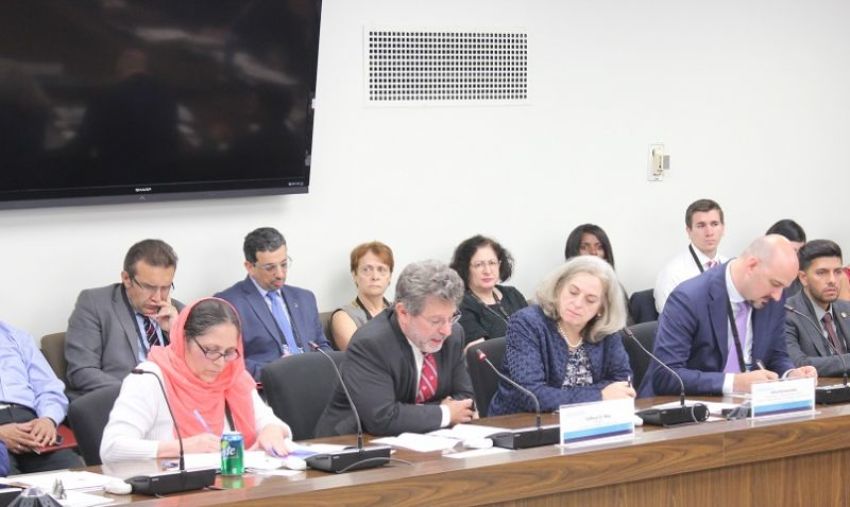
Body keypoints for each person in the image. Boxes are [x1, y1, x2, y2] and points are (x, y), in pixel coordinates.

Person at [100, 298, 292, 463]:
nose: (220, 363)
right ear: (184, 339)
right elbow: (111, 448)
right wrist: (182, 447)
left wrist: (272, 431)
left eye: (228, 352)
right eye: (210, 350)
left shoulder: (233, 375)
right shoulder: (150, 378)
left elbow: (269, 422)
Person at [639, 235, 818, 397]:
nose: (778, 296)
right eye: (775, 284)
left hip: (747, 406)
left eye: (783, 287)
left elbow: (777, 355)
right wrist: (735, 383)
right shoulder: (688, 299)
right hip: (688, 410)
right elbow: (666, 375)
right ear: (752, 265)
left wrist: (791, 375)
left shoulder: (772, 297)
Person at [315, 260, 475, 437]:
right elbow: (382, 418)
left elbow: (466, 399)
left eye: (451, 317)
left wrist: (420, 414)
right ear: (403, 313)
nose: (446, 330)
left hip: (428, 441)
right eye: (435, 321)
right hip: (353, 445)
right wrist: (444, 412)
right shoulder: (370, 344)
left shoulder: (453, 335)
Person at [488, 257, 634, 415]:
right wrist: (600, 395)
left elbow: (622, 385)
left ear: (601, 309)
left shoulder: (605, 331)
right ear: (559, 288)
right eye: (573, 292)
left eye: (590, 300)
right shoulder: (527, 324)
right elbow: (530, 395)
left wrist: (560, 397)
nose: (577, 303)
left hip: (590, 422)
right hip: (523, 425)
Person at [65, 239, 181, 398]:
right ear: (126, 279)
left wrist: (176, 333)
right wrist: (138, 394)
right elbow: (81, 372)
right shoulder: (95, 304)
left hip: (174, 405)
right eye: (149, 287)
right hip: (120, 401)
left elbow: (201, 373)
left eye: (166, 287)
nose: (157, 297)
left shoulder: (179, 312)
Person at [216, 227, 331, 380]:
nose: (280, 274)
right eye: (270, 267)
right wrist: (276, 372)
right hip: (269, 388)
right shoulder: (229, 304)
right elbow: (228, 361)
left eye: (283, 264)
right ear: (250, 267)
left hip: (314, 382)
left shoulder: (305, 298)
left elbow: (322, 346)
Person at [0, 320, 83, 474]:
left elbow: (49, 387)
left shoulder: (16, 336)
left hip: (32, 424)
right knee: (9, 491)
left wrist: (48, 419)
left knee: (75, 476)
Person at [785, 240, 850, 376]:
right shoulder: (788, 313)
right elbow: (798, 364)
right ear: (803, 278)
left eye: (837, 272)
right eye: (822, 273)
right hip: (816, 394)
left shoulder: (847, 309)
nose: (832, 280)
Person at [449, 235, 527, 348]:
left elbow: (537, 331)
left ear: (500, 265)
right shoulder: (460, 303)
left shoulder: (512, 294)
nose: (487, 271)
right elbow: (481, 352)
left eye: (492, 263)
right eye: (479, 265)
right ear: (465, 269)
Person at [654, 199, 728, 313]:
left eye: (714, 224)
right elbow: (672, 324)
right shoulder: (672, 274)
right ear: (689, 231)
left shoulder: (731, 267)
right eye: (701, 226)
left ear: (723, 228)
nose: (709, 232)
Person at [330, 241, 394, 351]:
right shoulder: (344, 316)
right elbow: (362, 356)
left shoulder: (400, 310)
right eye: (367, 269)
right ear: (355, 275)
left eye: (381, 269)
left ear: (389, 277)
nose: (375, 276)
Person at [564, 224, 632, 324]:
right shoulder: (563, 287)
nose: (593, 252)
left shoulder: (616, 288)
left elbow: (627, 328)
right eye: (584, 247)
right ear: (573, 252)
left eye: (599, 247)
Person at [766, 219, 807, 297]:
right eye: (791, 251)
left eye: (799, 252)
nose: (796, 258)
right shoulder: (755, 276)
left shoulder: (802, 278)